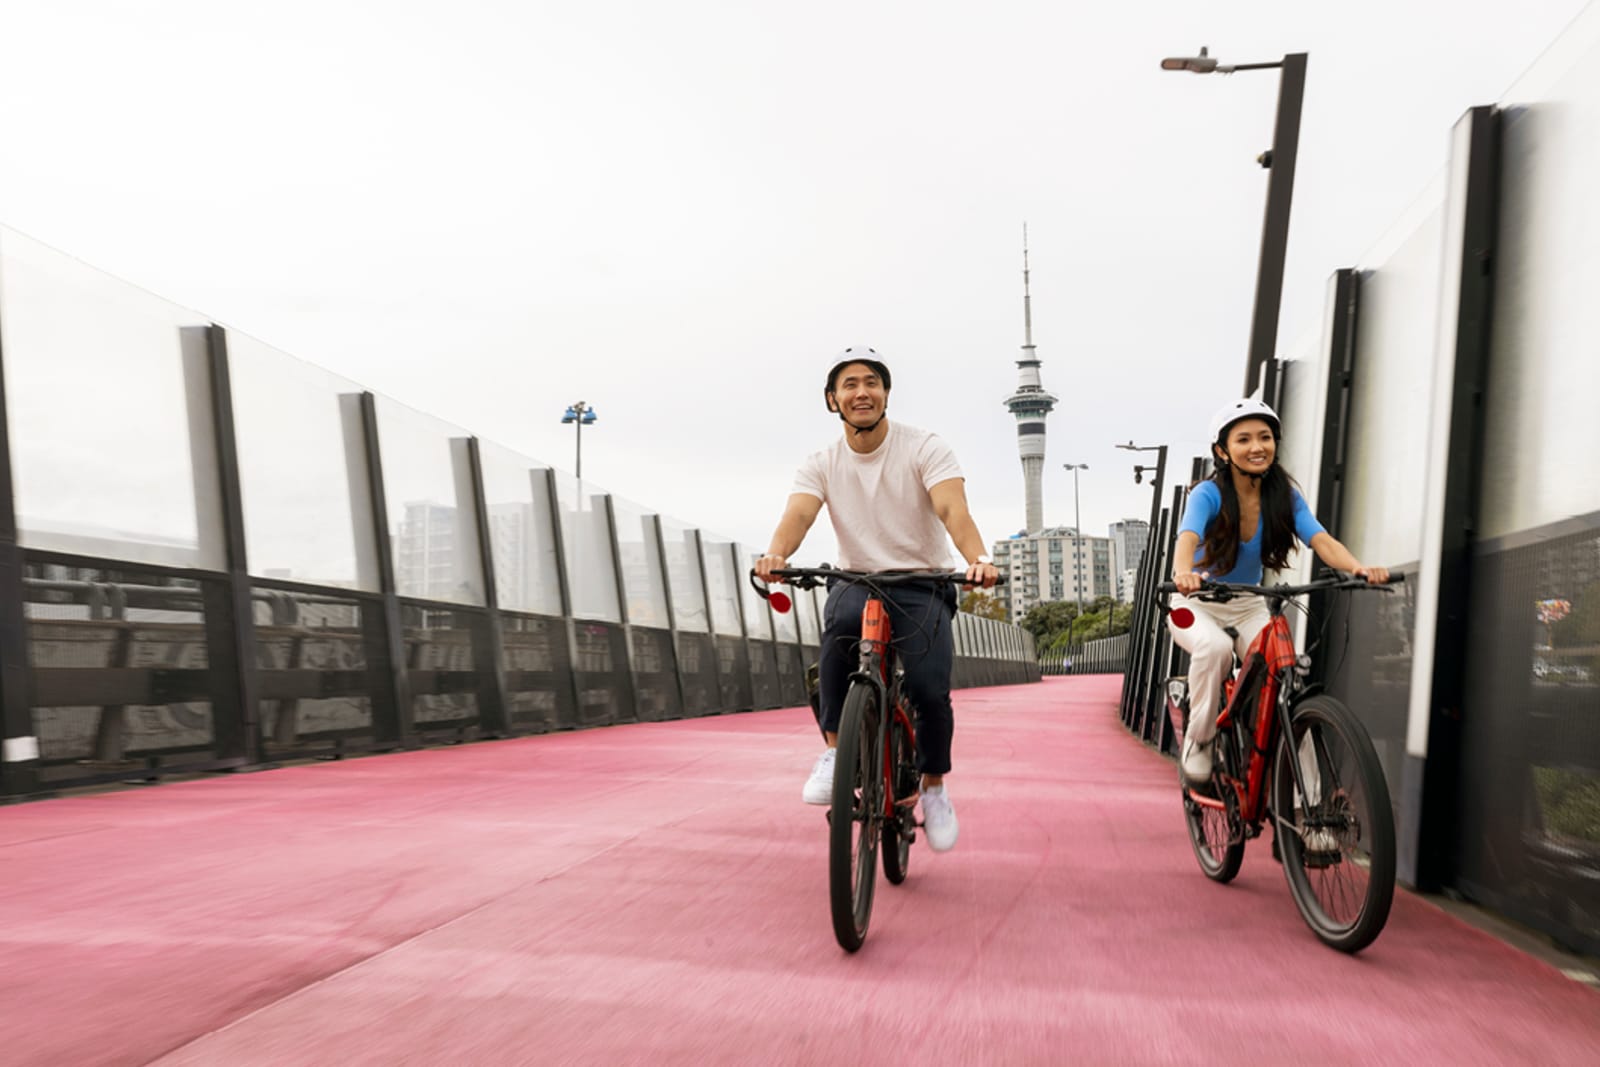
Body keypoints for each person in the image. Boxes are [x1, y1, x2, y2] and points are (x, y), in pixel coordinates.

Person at [754, 348, 999, 853]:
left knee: (931, 690)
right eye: (849, 385)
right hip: (858, 578)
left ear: (886, 394)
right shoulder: (821, 462)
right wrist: (776, 553)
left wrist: (977, 558)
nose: (861, 391)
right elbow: (798, 516)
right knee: (838, 630)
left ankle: (933, 787)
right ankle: (834, 752)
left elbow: (952, 508)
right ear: (832, 400)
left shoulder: (925, 447)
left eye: (871, 382)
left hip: (922, 580)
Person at [1170, 398, 1389, 789]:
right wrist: (1184, 574)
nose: (1257, 447)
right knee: (1214, 648)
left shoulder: (1283, 497)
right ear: (1222, 451)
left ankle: (1311, 809)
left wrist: (1357, 568)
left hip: (1248, 603)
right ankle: (1199, 741)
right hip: (1193, 603)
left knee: (1287, 685)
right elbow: (1187, 537)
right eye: (1243, 439)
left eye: (1265, 437)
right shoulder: (1207, 494)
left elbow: (1320, 539)